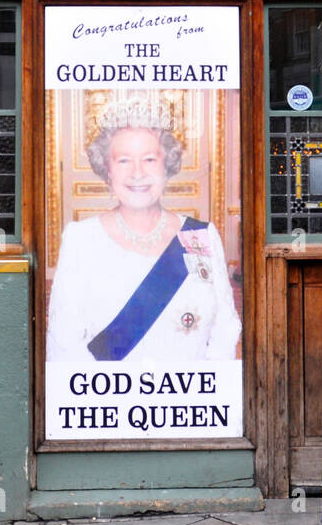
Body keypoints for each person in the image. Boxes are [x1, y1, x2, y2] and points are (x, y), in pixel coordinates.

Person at [46, 97, 241, 362]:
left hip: (189, 397)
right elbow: (64, 343)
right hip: (108, 398)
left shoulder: (200, 236)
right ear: (107, 171)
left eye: (149, 159)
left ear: (166, 166)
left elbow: (225, 331)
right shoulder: (81, 239)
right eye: (124, 160)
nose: (137, 173)